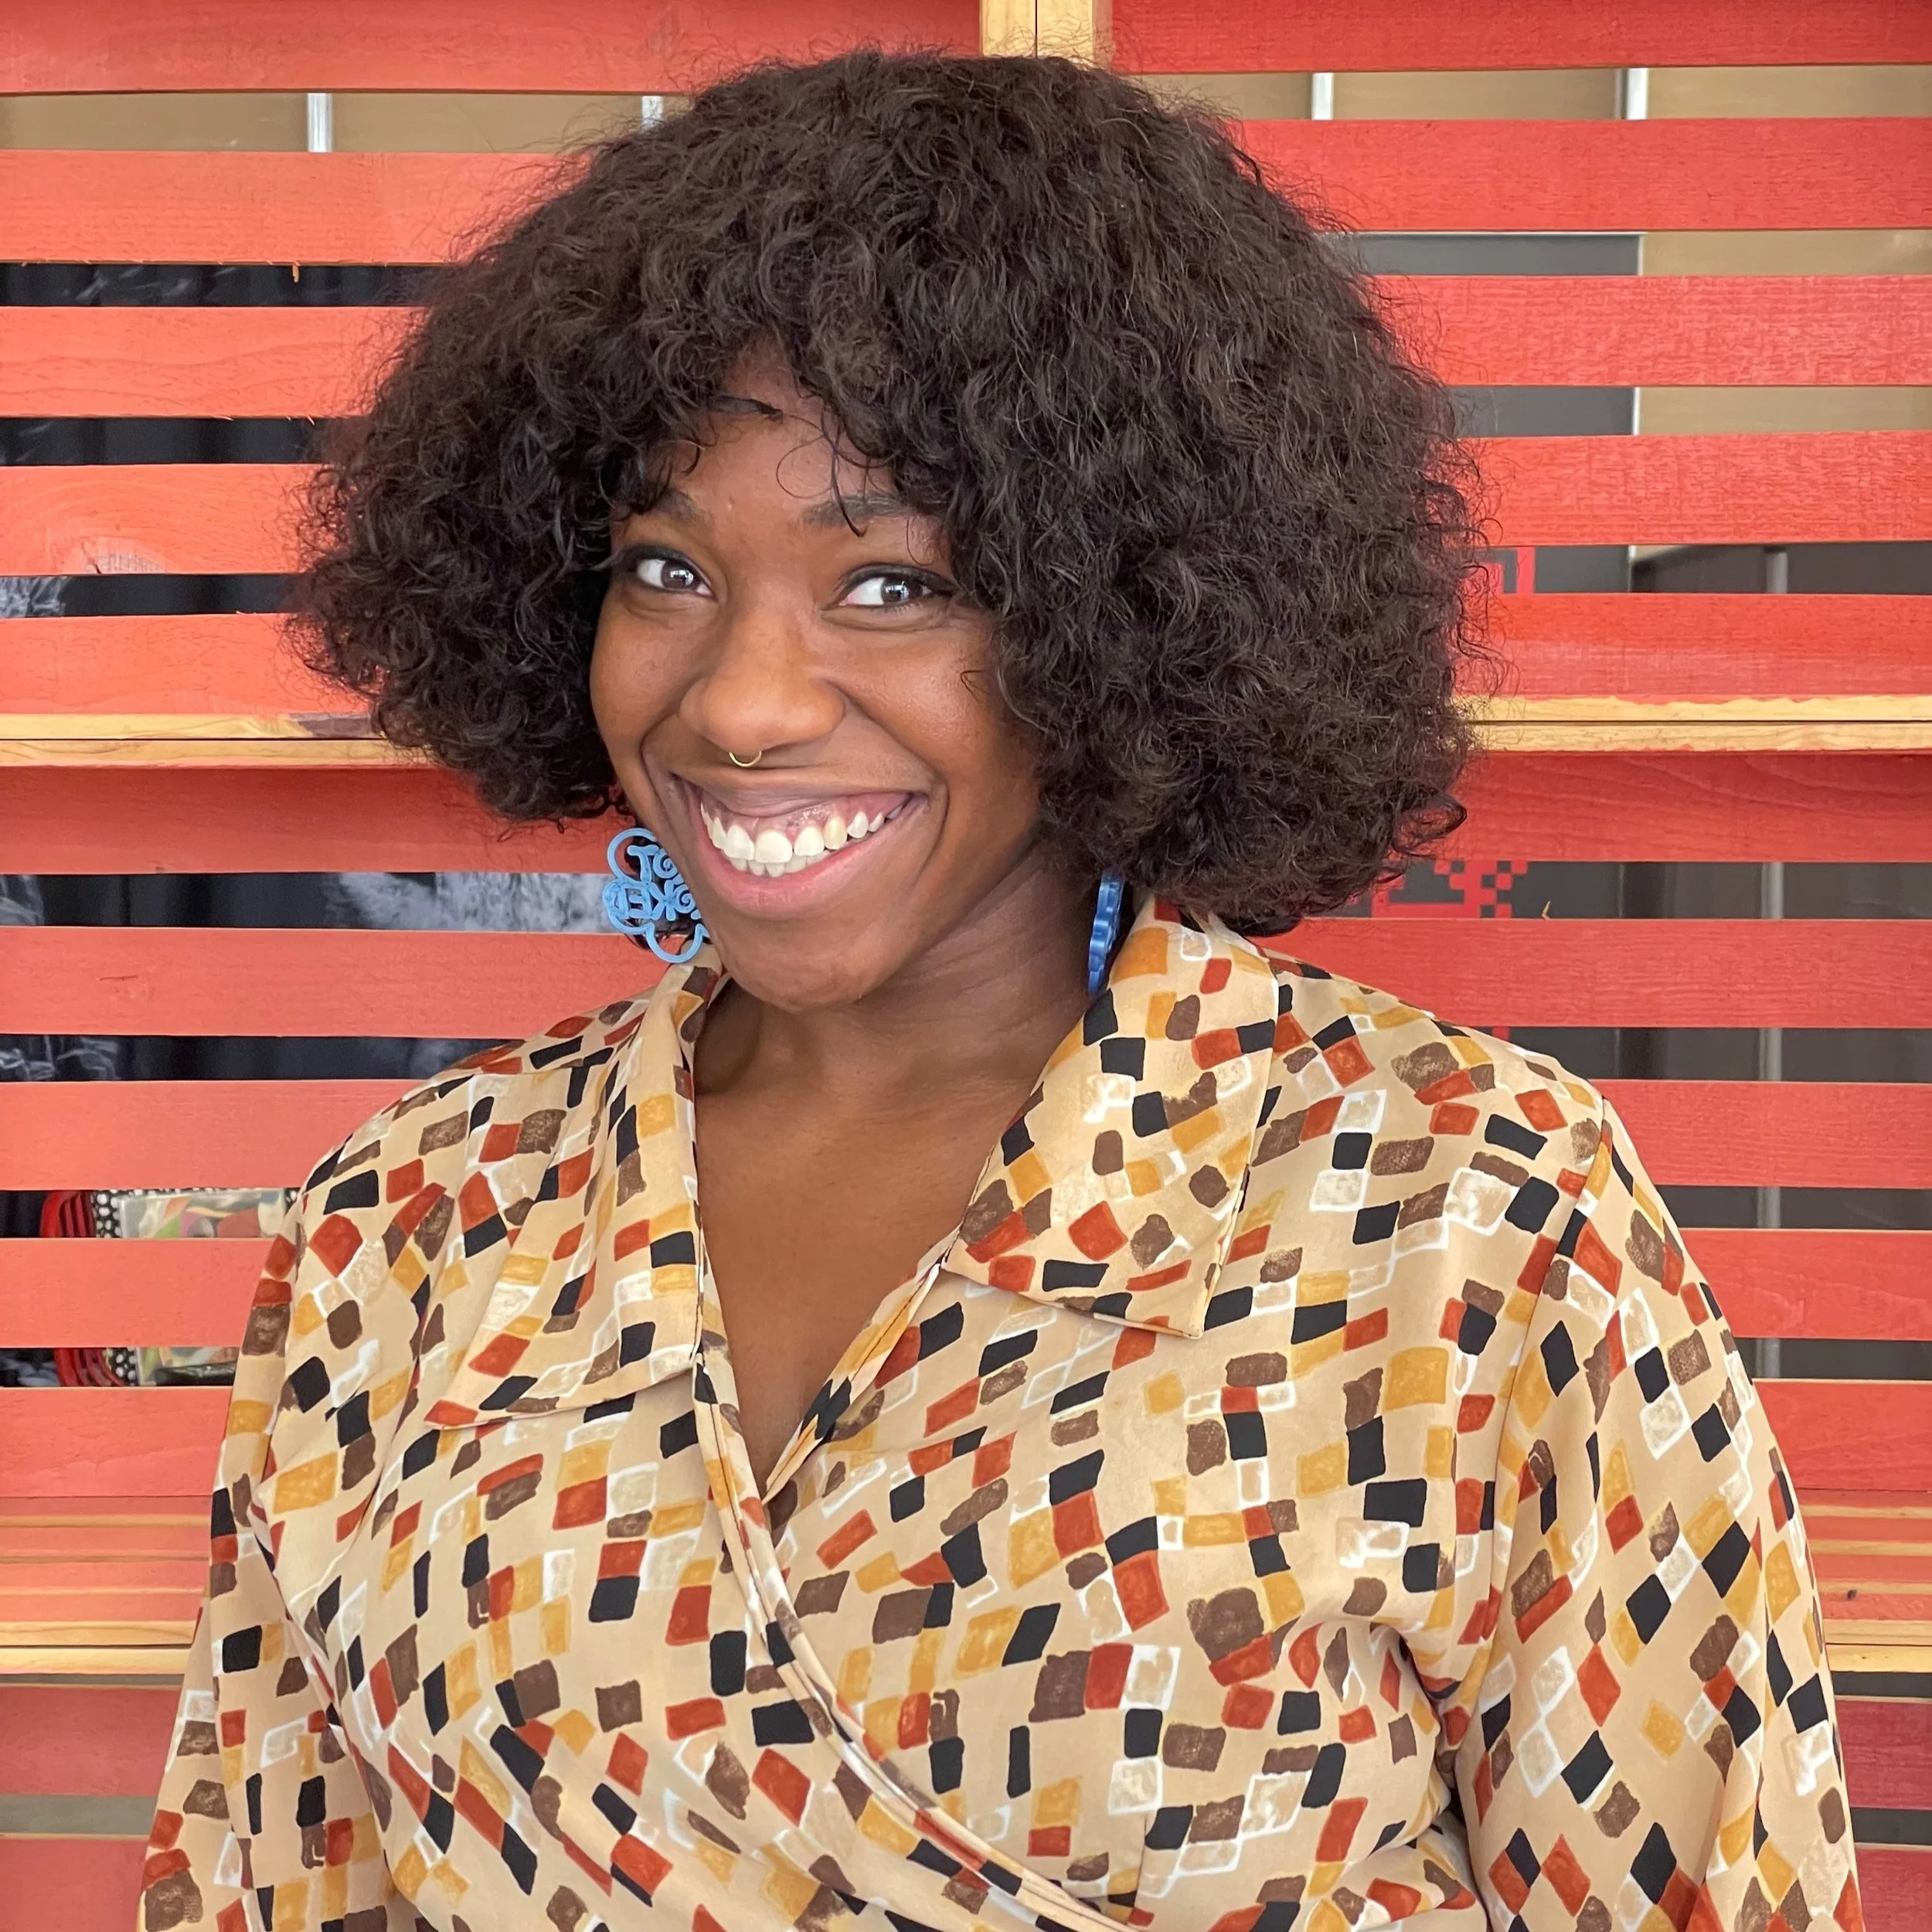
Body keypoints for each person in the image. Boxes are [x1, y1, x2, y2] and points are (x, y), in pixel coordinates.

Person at [140, 51, 1860, 1932]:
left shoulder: (1458, 1211)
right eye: (664, 568)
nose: (742, 702)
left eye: (890, 584)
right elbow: (265, 1873)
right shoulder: (413, 1220)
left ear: (1116, 613)